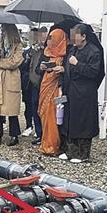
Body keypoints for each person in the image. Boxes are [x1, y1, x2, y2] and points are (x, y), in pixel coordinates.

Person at [61, 23, 105, 163]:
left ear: (84, 36)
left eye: (76, 35)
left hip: (85, 92)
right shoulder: (72, 50)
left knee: (83, 121)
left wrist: (77, 64)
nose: (73, 38)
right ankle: (70, 151)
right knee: (70, 120)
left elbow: (94, 72)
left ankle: (82, 154)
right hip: (71, 90)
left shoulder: (94, 51)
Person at [0, 24, 24, 147]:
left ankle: (14, 135)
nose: (2, 33)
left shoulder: (18, 45)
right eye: (2, 30)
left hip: (11, 78)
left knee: (12, 110)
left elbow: (14, 62)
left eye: (4, 30)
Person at [37, 28, 67, 156]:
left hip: (58, 89)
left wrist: (62, 69)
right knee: (44, 115)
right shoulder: (46, 52)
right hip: (45, 86)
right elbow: (37, 70)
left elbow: (69, 72)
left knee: (56, 117)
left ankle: (54, 145)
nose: (50, 42)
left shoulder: (66, 54)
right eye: (49, 39)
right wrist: (42, 67)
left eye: (53, 39)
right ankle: (45, 143)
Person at [28, 27, 48, 145]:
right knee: (34, 108)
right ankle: (39, 133)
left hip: (44, 82)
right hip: (34, 82)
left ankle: (45, 134)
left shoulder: (48, 49)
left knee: (44, 109)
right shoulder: (34, 48)